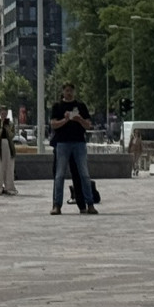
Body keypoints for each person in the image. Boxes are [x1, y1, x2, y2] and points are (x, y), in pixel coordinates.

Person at [50, 82, 97, 215]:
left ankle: (90, 204)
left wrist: (79, 119)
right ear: (63, 92)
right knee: (59, 175)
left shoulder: (81, 106)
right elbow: (53, 124)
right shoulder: (57, 106)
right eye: (67, 91)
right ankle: (57, 204)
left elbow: (88, 125)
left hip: (79, 143)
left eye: (71, 90)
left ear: (74, 92)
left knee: (84, 174)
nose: (69, 93)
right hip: (62, 143)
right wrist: (65, 120)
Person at [0, 108, 18, 196]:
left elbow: (11, 136)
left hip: (8, 144)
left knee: (9, 166)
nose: (4, 115)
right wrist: (2, 127)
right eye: (2, 113)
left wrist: (7, 129)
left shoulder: (10, 123)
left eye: (5, 113)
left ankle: (9, 187)